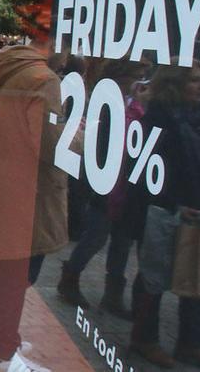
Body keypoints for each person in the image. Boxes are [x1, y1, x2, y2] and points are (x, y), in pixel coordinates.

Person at [127, 61, 200, 370]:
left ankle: (190, 344)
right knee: (154, 278)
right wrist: (173, 203)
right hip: (163, 213)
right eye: (195, 80)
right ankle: (145, 339)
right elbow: (144, 171)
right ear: (175, 84)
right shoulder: (158, 119)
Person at [0, 32, 68, 372]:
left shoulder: (0, 69)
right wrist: (78, 138)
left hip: (4, 180)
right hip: (32, 188)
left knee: (8, 269)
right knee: (20, 273)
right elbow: (48, 144)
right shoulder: (43, 79)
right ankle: (4, 351)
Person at [56, 58, 149, 318]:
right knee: (97, 235)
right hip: (107, 183)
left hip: (126, 184)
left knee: (121, 241)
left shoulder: (132, 102)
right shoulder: (109, 102)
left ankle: (113, 295)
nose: (141, 82)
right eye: (138, 76)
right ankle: (70, 277)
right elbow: (103, 142)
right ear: (124, 76)